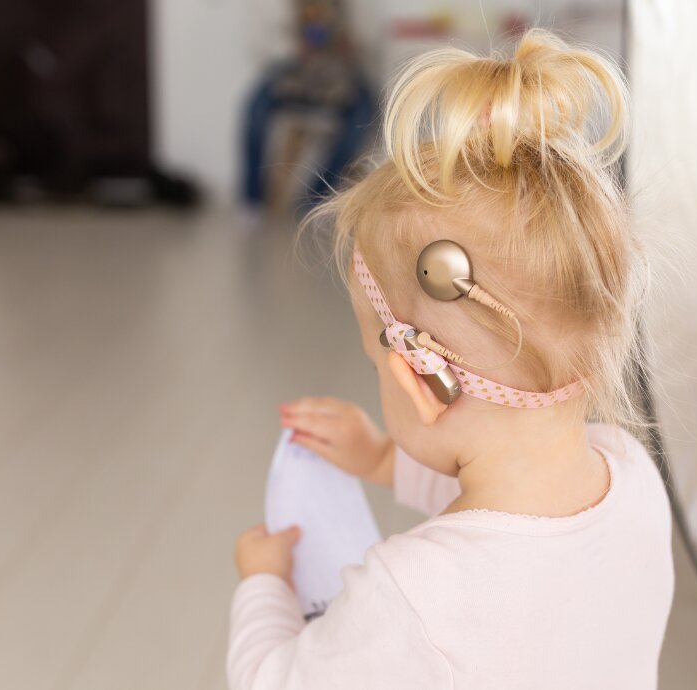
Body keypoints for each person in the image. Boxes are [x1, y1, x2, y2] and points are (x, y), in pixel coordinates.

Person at [227, 28, 674, 689]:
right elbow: (518, 523)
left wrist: (265, 585)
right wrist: (382, 458)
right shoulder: (630, 474)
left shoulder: (411, 592)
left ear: (422, 378)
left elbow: (272, 680)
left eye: (375, 364)